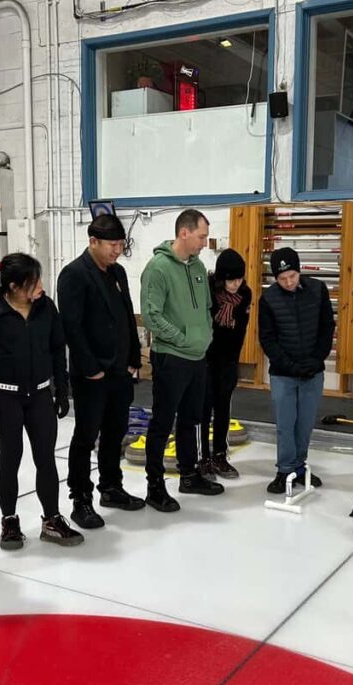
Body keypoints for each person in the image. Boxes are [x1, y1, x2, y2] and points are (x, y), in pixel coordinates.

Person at [0, 252, 83, 549]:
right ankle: (9, 520)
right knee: (10, 459)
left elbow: (58, 349)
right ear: (13, 287)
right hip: (4, 397)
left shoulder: (46, 307)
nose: (40, 287)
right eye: (33, 282)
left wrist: (61, 390)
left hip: (40, 395)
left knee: (45, 459)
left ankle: (51, 519)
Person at [57, 215, 144, 530]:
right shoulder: (74, 275)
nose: (117, 251)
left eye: (121, 244)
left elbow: (126, 316)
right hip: (92, 375)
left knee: (115, 432)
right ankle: (81, 499)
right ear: (93, 241)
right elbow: (72, 327)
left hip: (120, 371)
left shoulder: (118, 272)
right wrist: (90, 368)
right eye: (112, 245)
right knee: (86, 436)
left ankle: (111, 487)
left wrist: (134, 356)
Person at [140, 209, 224, 512]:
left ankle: (188, 475)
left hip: (197, 358)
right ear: (184, 233)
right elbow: (152, 316)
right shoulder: (158, 268)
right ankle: (155, 486)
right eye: (201, 236)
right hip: (172, 358)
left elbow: (205, 309)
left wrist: (205, 336)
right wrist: (183, 338)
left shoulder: (199, 266)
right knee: (163, 423)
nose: (205, 242)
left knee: (191, 419)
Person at [258, 247, 334, 493]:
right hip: (283, 373)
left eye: (292, 276)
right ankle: (284, 469)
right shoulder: (268, 299)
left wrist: (316, 359)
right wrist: (290, 366)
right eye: (282, 279)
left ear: (299, 271)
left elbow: (327, 328)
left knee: (305, 422)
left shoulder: (317, 290)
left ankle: (299, 467)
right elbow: (268, 339)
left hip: (313, 371)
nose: (288, 282)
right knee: (285, 422)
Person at [197, 248, 252, 481]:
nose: (235, 284)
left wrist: (232, 363)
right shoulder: (207, 292)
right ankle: (204, 457)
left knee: (223, 408)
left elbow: (240, 331)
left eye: (239, 279)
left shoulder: (245, 295)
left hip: (228, 359)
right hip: (207, 359)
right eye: (230, 279)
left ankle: (220, 454)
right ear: (221, 278)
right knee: (204, 408)